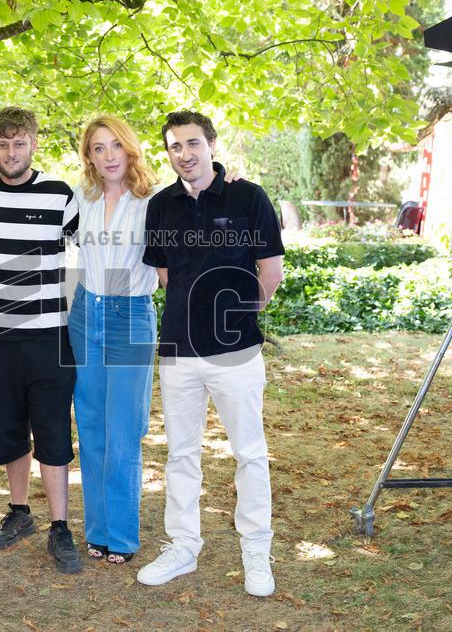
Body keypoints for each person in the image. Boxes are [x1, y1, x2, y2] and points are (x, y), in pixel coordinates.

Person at [136, 111, 285, 597]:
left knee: (249, 453)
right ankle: (182, 546)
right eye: (175, 146)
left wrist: (237, 317)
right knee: (180, 454)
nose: (185, 153)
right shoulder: (160, 206)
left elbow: (271, 270)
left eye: (193, 142)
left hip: (236, 352)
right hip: (179, 350)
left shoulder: (247, 196)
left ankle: (256, 552)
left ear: (212, 145)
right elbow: (164, 277)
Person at [0, 106, 82, 574]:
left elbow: (97, 240)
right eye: (2, 143)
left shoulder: (59, 194)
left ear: (34, 144)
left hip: (49, 338)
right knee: (9, 431)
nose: (10, 152)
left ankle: (60, 526)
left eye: (19, 143)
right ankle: (19, 513)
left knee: (52, 432)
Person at [69, 115, 158, 565]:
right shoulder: (79, 198)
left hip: (131, 315)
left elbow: (202, 198)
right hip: (85, 313)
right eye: (98, 148)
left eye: (115, 146)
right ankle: (97, 530)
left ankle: (121, 536)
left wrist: (228, 177)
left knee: (125, 428)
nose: (108, 156)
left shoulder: (154, 200)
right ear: (89, 155)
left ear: (130, 149)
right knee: (91, 426)